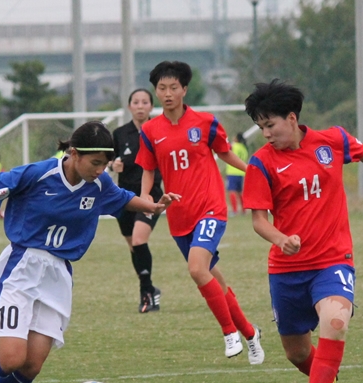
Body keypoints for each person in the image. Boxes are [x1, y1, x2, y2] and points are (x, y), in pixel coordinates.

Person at [0, 121, 180, 383]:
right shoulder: (39, 173)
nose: (100, 170)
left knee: (32, 365)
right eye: (95, 163)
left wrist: (154, 206)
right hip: (22, 268)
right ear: (74, 153)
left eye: (105, 164)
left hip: (58, 275)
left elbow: (121, 198)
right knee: (11, 359)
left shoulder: (99, 183)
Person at [242, 80, 363, 383]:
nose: (266, 134)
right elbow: (259, 220)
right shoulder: (261, 163)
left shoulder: (332, 140)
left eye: (270, 125)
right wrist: (280, 239)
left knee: (335, 321)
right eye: (261, 128)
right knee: (296, 352)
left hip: (333, 259)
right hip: (286, 269)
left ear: (292, 118)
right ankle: (326, 380)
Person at [136, 60, 264, 365]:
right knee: (212, 279)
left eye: (173, 87)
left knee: (196, 269)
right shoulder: (150, 131)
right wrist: (145, 199)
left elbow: (225, 153)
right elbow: (148, 170)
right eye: (161, 88)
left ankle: (229, 333)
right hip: (179, 218)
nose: (167, 93)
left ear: (184, 89)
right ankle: (250, 333)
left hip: (211, 208)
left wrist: (252, 171)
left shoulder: (205, 122)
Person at [112, 88, 164, 313]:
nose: (140, 106)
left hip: (150, 196)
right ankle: (150, 288)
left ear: (151, 106)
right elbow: (107, 160)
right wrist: (112, 165)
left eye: (145, 102)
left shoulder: (159, 131)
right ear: (129, 106)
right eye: (136, 102)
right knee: (134, 247)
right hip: (124, 197)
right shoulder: (120, 134)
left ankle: (146, 294)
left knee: (139, 240)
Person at [226, 132, 249, 216]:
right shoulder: (244, 148)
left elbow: (226, 148)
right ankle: (243, 210)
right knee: (240, 192)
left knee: (232, 191)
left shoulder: (234, 146)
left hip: (232, 172)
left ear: (237, 139)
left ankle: (234, 211)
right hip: (241, 173)